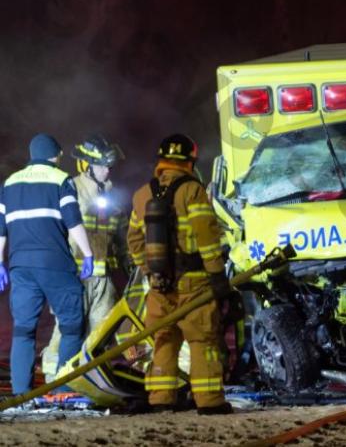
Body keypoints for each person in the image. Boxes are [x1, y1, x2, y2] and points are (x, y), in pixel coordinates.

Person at [126, 133, 233, 415]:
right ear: (190, 161)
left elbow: (134, 241)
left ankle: (161, 399)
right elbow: (207, 236)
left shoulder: (141, 195)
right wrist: (217, 276)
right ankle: (210, 402)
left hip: (159, 286)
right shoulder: (193, 191)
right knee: (202, 341)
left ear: (161, 161)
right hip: (194, 284)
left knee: (163, 339)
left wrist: (150, 271)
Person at [0, 133, 94, 394]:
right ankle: (62, 387)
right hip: (55, 263)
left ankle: (22, 394)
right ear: (56, 155)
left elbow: (1, 229)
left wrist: (0, 263)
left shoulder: (9, 183)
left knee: (23, 329)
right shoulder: (61, 180)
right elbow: (73, 221)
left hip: (20, 266)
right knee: (72, 325)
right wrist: (87, 254)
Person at [41, 135, 128, 382]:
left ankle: (90, 377)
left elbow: (119, 235)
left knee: (100, 331)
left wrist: (128, 261)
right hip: (74, 276)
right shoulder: (71, 189)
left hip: (102, 278)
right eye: (101, 165)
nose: (107, 170)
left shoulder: (113, 196)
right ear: (86, 165)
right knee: (67, 328)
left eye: (109, 166)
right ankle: (53, 378)